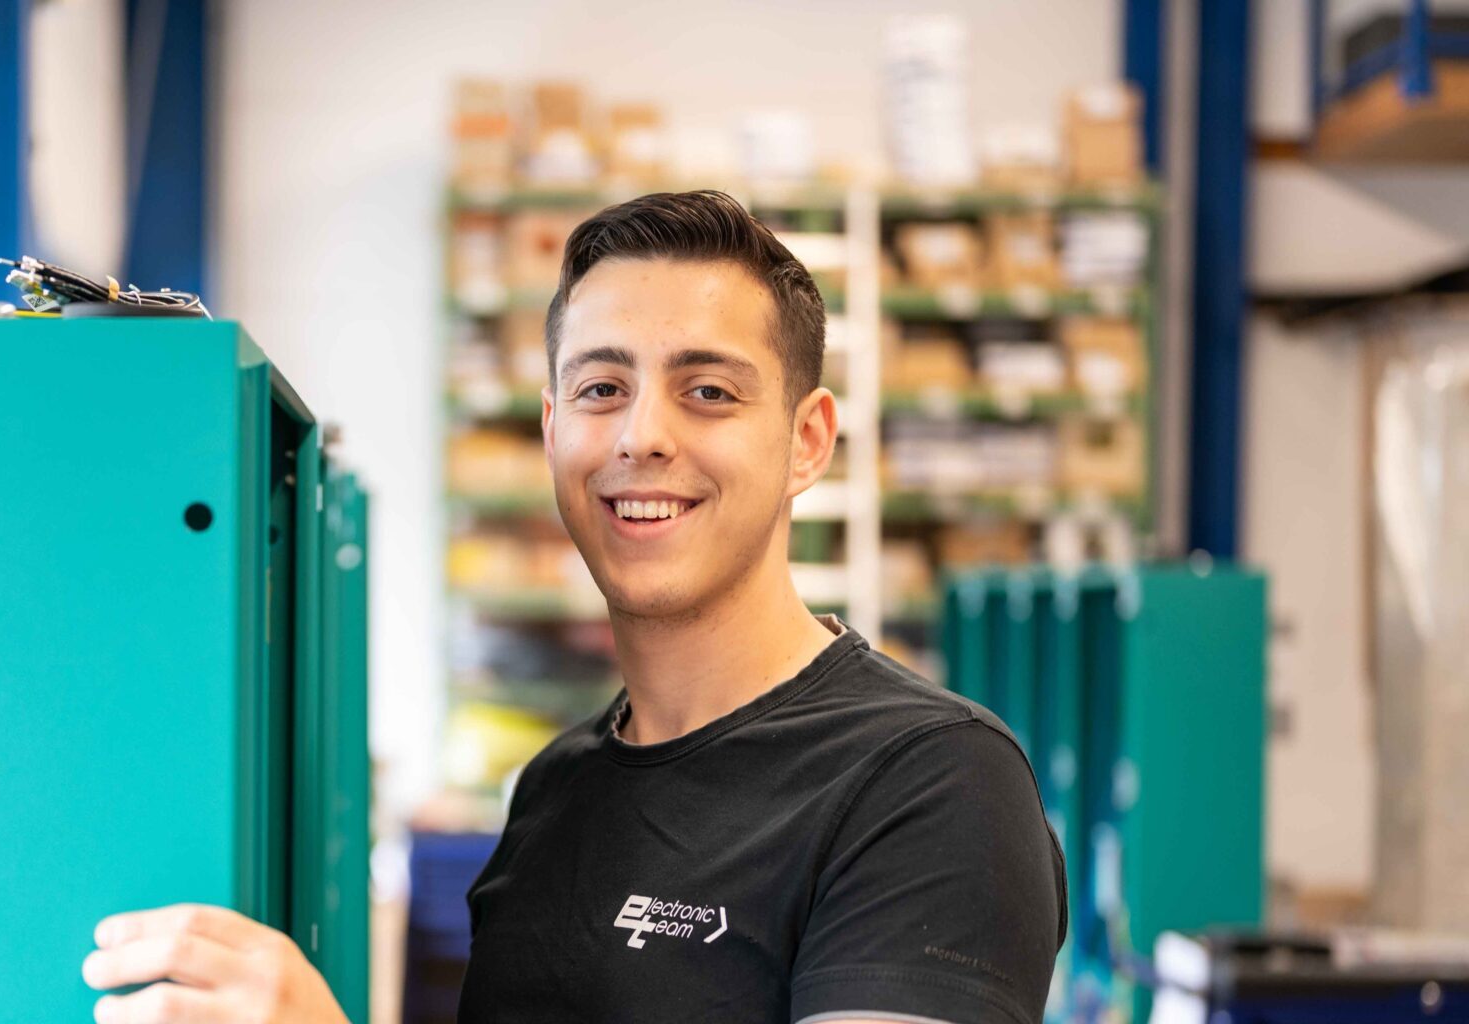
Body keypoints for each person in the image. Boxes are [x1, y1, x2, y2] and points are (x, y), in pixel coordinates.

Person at [79, 190, 1065, 1024]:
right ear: (553, 431)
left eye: (709, 391)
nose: (641, 435)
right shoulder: (552, 792)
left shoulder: (929, 783)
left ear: (806, 440)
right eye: (600, 387)